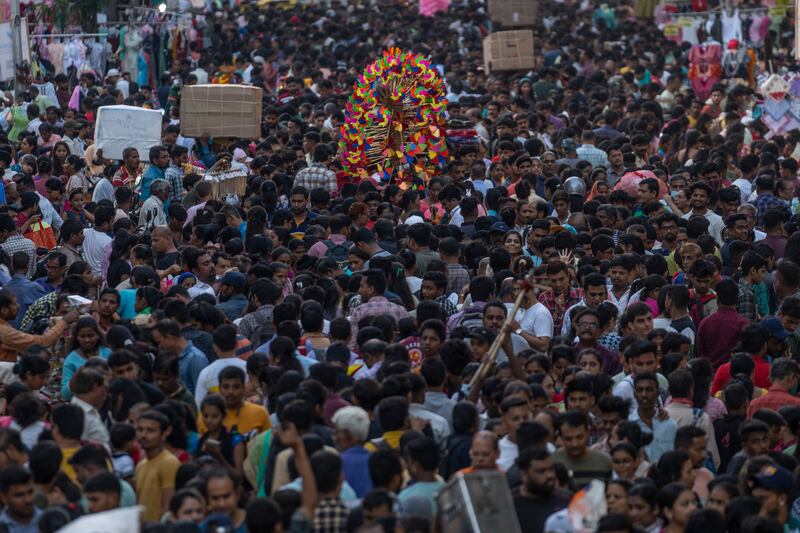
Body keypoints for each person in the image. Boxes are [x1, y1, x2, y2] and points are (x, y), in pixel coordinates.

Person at [135, 409, 181, 522]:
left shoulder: (169, 462)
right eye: (140, 430)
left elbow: (168, 506)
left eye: (150, 431)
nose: (143, 435)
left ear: (166, 432)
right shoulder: (141, 465)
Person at [513, 448, 571, 533]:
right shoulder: (510, 503)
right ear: (524, 475)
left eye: (551, 469)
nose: (549, 475)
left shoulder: (567, 500)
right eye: (541, 471)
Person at [551, 409, 612, 487]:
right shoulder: (552, 461)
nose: (575, 444)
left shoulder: (605, 461)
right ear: (561, 437)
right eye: (568, 439)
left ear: (588, 432)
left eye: (579, 437)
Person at [0, 465, 41, 532]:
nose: (28, 500)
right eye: (19, 495)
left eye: (30, 492)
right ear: (3, 498)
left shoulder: (49, 521)